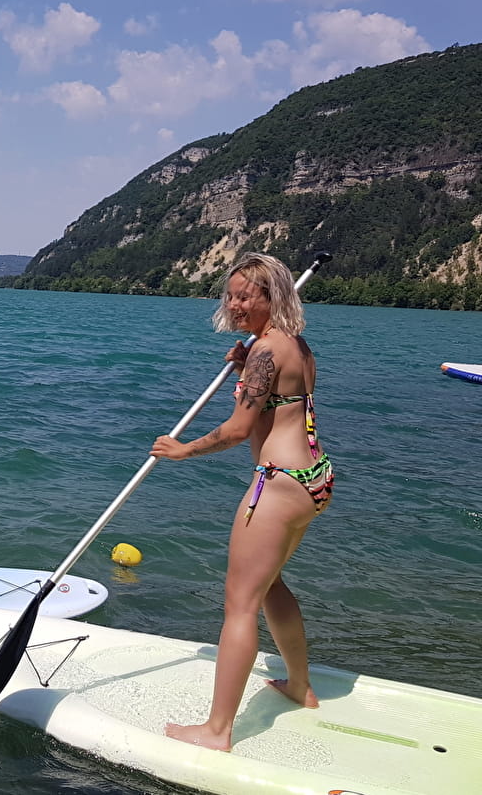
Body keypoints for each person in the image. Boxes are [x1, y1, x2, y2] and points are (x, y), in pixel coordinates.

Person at [150, 252, 334, 753]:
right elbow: (281, 396)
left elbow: (237, 430)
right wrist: (244, 361)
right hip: (314, 479)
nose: (233, 304)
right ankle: (299, 686)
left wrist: (183, 449)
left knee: (239, 605)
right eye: (229, 295)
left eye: (244, 295)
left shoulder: (266, 351)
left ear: (271, 296)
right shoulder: (293, 344)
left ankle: (216, 732)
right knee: (271, 585)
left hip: (277, 484)